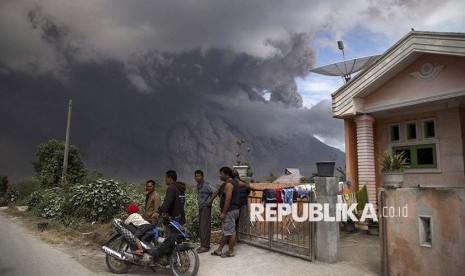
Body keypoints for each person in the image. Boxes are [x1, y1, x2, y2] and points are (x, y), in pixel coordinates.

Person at [211, 166, 240, 258]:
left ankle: (230, 251)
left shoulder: (228, 185)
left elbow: (228, 199)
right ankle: (219, 250)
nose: (220, 176)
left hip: (230, 211)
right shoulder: (235, 182)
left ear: (227, 175)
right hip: (235, 209)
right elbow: (244, 184)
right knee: (226, 231)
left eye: (221, 174)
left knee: (231, 232)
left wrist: (223, 213)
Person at [154, 170, 186, 238]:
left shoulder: (171, 188)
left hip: (172, 219)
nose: (165, 180)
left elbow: (167, 202)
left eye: (166, 178)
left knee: (169, 239)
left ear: (170, 179)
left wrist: (158, 212)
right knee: (178, 238)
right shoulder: (181, 188)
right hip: (180, 217)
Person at [194, 169, 218, 253]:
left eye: (199, 176)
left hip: (205, 208)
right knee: (201, 226)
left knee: (204, 227)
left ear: (203, 176)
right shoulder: (198, 185)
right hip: (201, 208)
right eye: (196, 176)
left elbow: (215, 191)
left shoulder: (206, 185)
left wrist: (210, 201)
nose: (197, 177)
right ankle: (203, 245)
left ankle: (205, 246)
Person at [232, 170, 251, 234]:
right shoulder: (244, 183)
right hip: (242, 204)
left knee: (232, 222)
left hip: (234, 204)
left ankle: (232, 238)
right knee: (239, 221)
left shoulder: (232, 183)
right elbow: (248, 192)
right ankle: (237, 236)